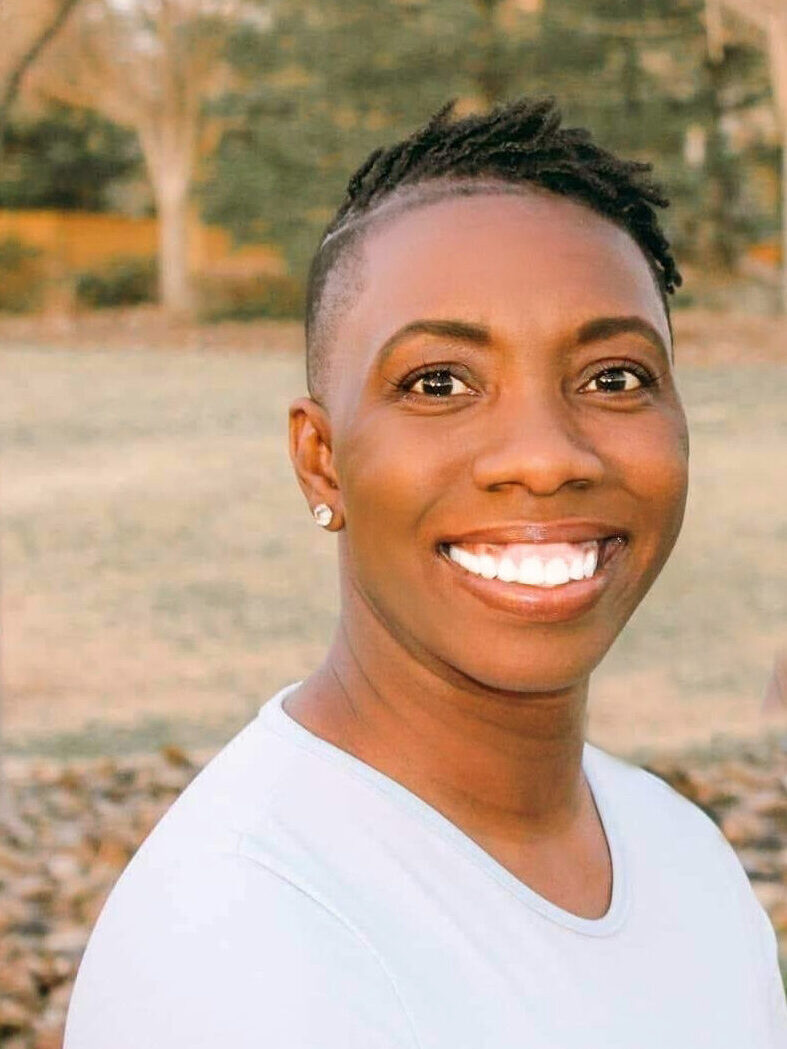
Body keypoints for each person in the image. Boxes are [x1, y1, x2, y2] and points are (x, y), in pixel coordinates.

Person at [63, 96, 787, 1047]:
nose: (543, 454)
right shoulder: (240, 941)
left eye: (612, 377)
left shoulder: (681, 855)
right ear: (321, 459)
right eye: (437, 382)